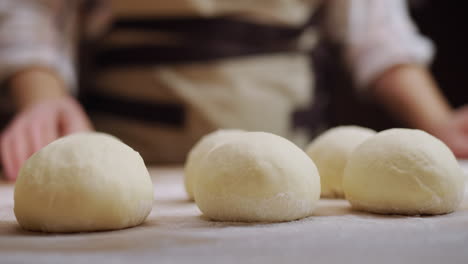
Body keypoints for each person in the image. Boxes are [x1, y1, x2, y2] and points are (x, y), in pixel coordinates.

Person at [1, 0, 467, 181]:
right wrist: (44, 102)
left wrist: (437, 122)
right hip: (127, 163)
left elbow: (378, 32)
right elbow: (34, 12)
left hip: (297, 169)